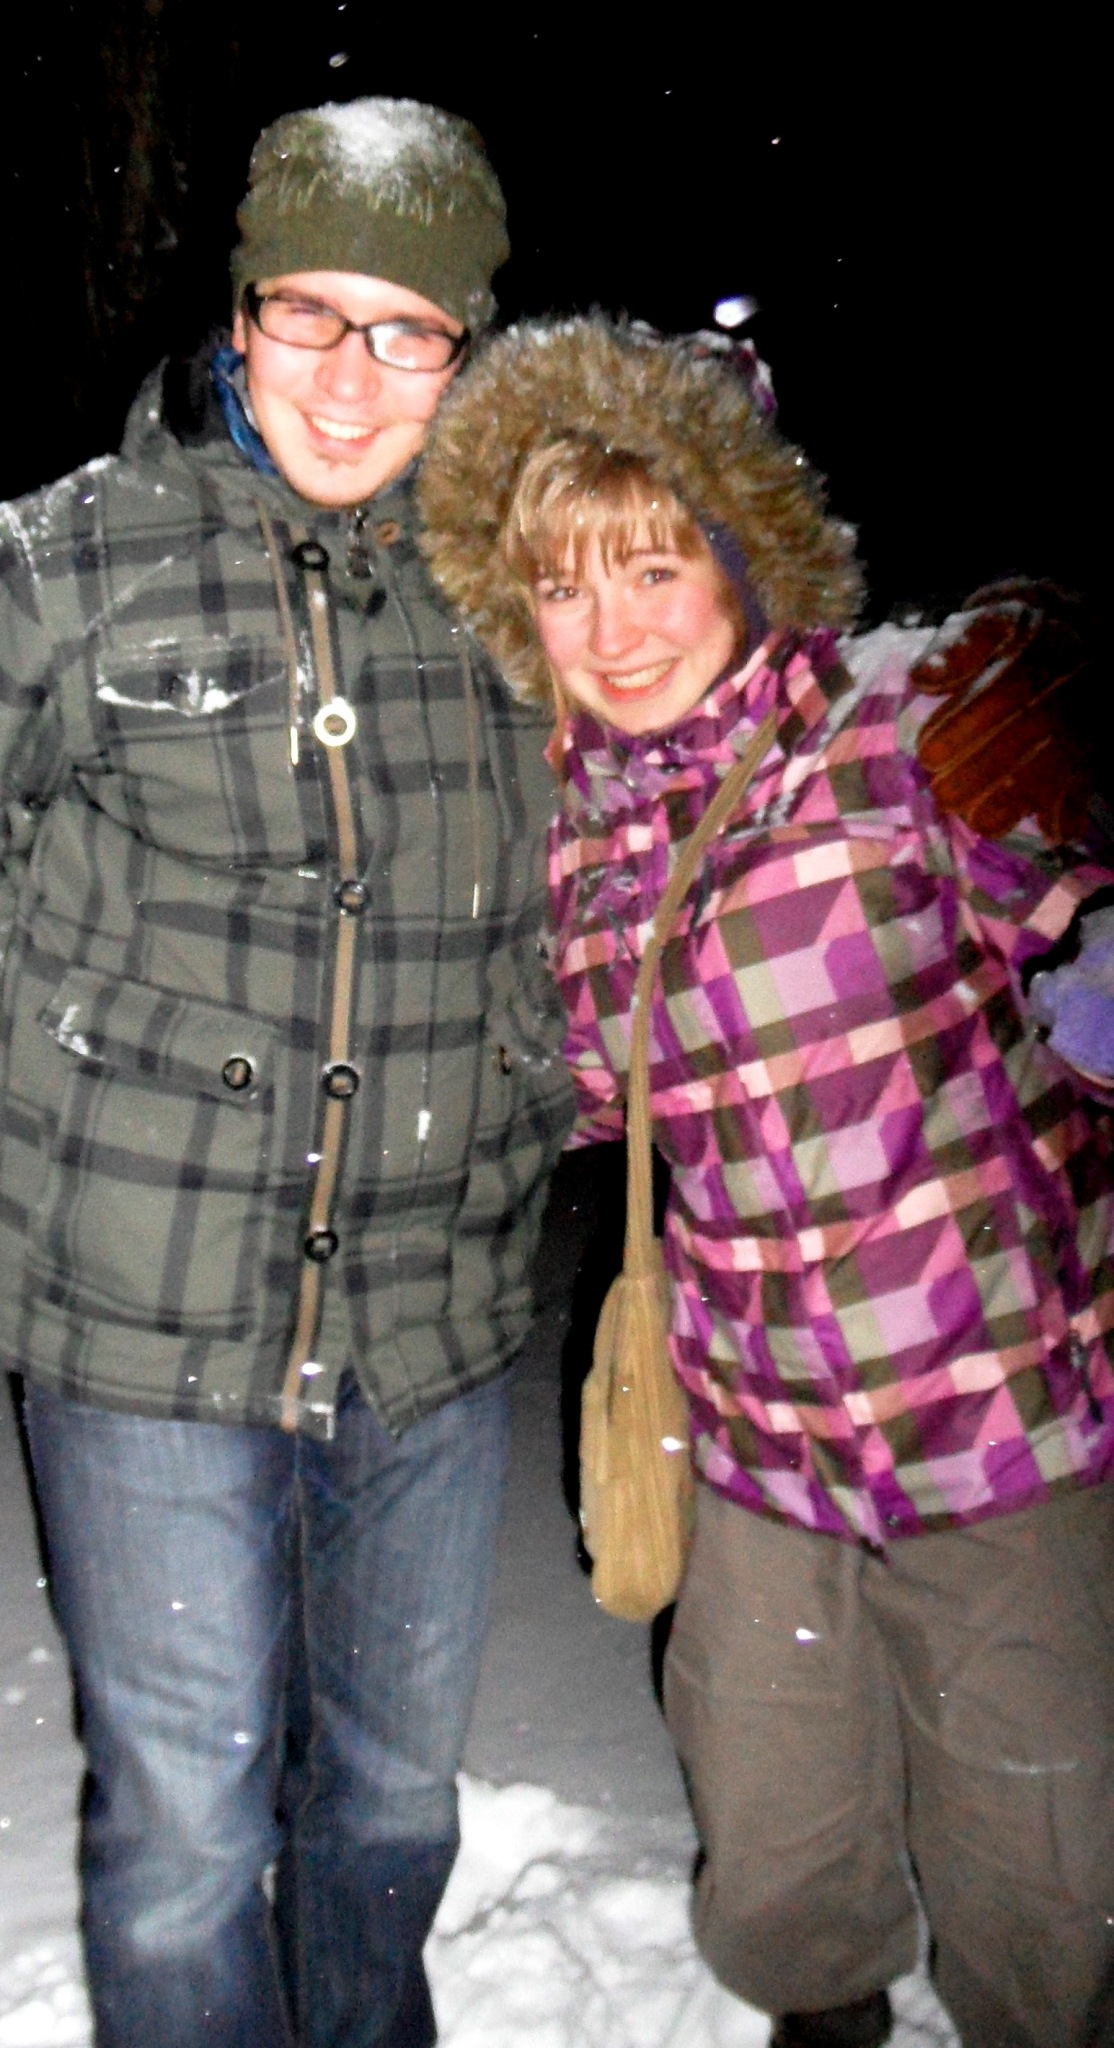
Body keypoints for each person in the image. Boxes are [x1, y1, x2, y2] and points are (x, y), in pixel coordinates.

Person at [418, 314, 1114, 2048]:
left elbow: (1079, 924)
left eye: (653, 569)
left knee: (1039, 1865)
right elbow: (564, 1094)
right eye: (564, 589)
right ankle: (821, 2022)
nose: (614, 630)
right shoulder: (571, 842)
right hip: (750, 1441)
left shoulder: (900, 740)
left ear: (742, 559)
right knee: (778, 1845)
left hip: (1000, 1425)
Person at [0, 100, 572, 2048]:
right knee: (181, 1839)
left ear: (468, 350)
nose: (346, 378)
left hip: (432, 1313)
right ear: (238, 314)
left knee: (391, 1801)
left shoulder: (523, 585)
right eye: (306, 315)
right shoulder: (70, 562)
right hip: (143, 1322)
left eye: (405, 331)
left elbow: (677, 802)